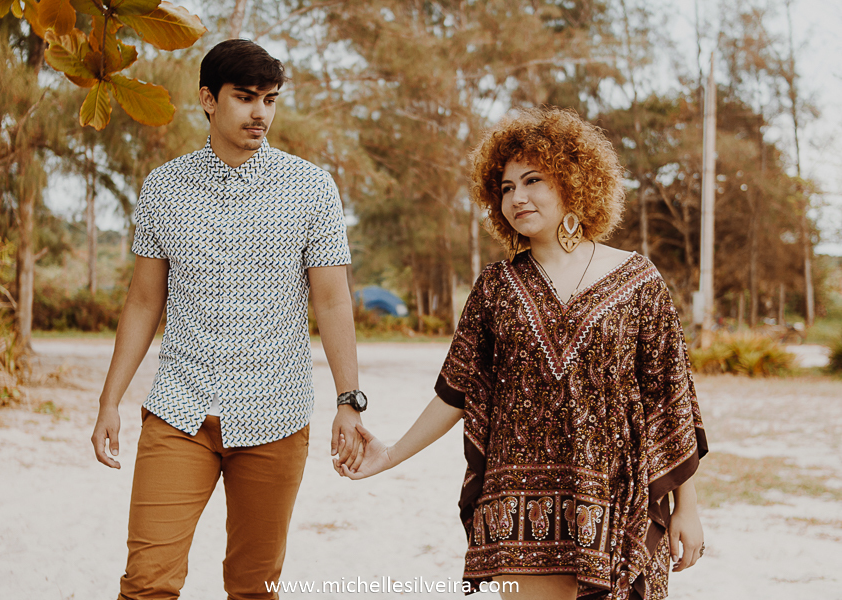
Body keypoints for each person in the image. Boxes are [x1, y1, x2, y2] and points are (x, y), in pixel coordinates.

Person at [337, 106, 707, 600]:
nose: (517, 197)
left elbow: (670, 399)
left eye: (532, 181)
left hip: (615, 499)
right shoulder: (495, 287)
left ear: (574, 182)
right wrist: (390, 455)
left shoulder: (640, 280)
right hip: (519, 512)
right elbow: (457, 392)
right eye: (506, 188)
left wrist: (688, 506)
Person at [91, 39, 368, 600]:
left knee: (253, 587)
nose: (260, 112)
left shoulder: (311, 187)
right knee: (145, 582)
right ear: (208, 100)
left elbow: (334, 302)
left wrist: (349, 399)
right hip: (178, 411)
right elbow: (145, 302)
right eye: (245, 97)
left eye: (270, 99)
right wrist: (109, 400)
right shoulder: (165, 188)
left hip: (275, 415)